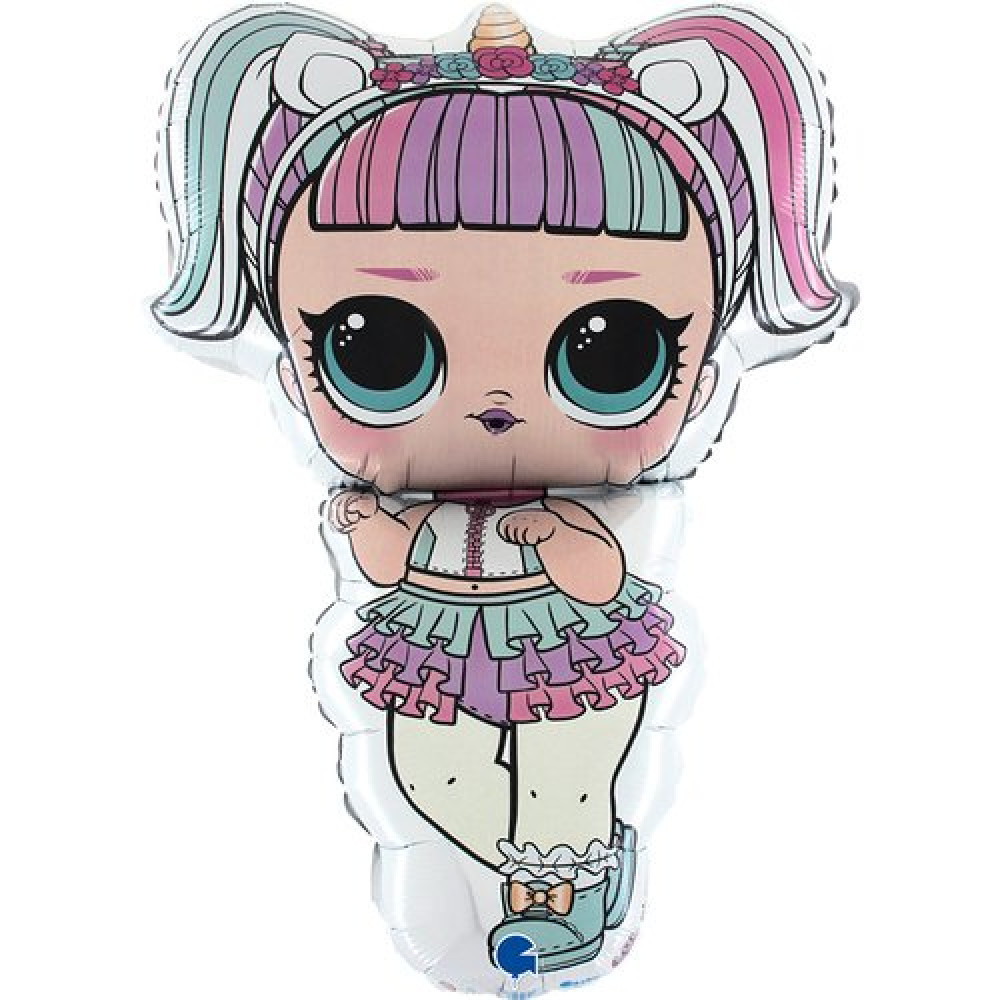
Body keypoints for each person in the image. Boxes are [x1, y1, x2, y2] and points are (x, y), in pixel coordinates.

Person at [152, 2, 856, 978]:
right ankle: (575, 875)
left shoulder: (589, 506)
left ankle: (560, 891)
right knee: (428, 773)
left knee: (563, 779)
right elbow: (386, 562)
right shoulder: (418, 502)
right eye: (376, 346)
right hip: (434, 640)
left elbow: (602, 579)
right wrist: (366, 526)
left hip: (570, 647)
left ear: (697, 374)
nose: (494, 406)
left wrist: (560, 542)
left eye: (611, 352)